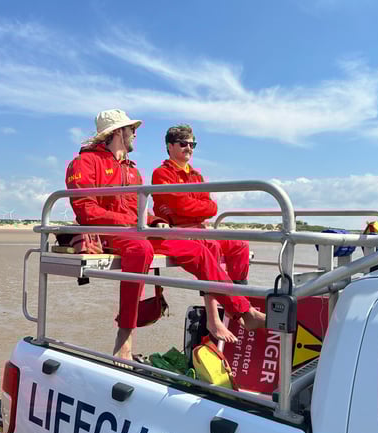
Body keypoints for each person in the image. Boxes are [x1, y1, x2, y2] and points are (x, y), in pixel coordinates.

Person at [66, 109, 265, 363]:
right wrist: (135, 222)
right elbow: (86, 209)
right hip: (107, 232)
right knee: (141, 250)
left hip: (138, 230)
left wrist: (155, 222)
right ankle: (125, 335)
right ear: (118, 132)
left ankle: (243, 311)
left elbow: (141, 212)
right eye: (132, 130)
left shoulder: (132, 170)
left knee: (198, 250)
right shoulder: (84, 163)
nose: (135, 135)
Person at [152, 124, 252, 338]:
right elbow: (180, 207)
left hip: (199, 228)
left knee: (240, 245)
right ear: (170, 146)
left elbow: (211, 207)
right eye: (183, 144)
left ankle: (238, 302)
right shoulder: (161, 174)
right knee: (212, 246)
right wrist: (195, 208)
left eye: (192, 144)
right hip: (178, 231)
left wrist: (193, 208)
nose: (189, 148)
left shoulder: (197, 176)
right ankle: (213, 319)